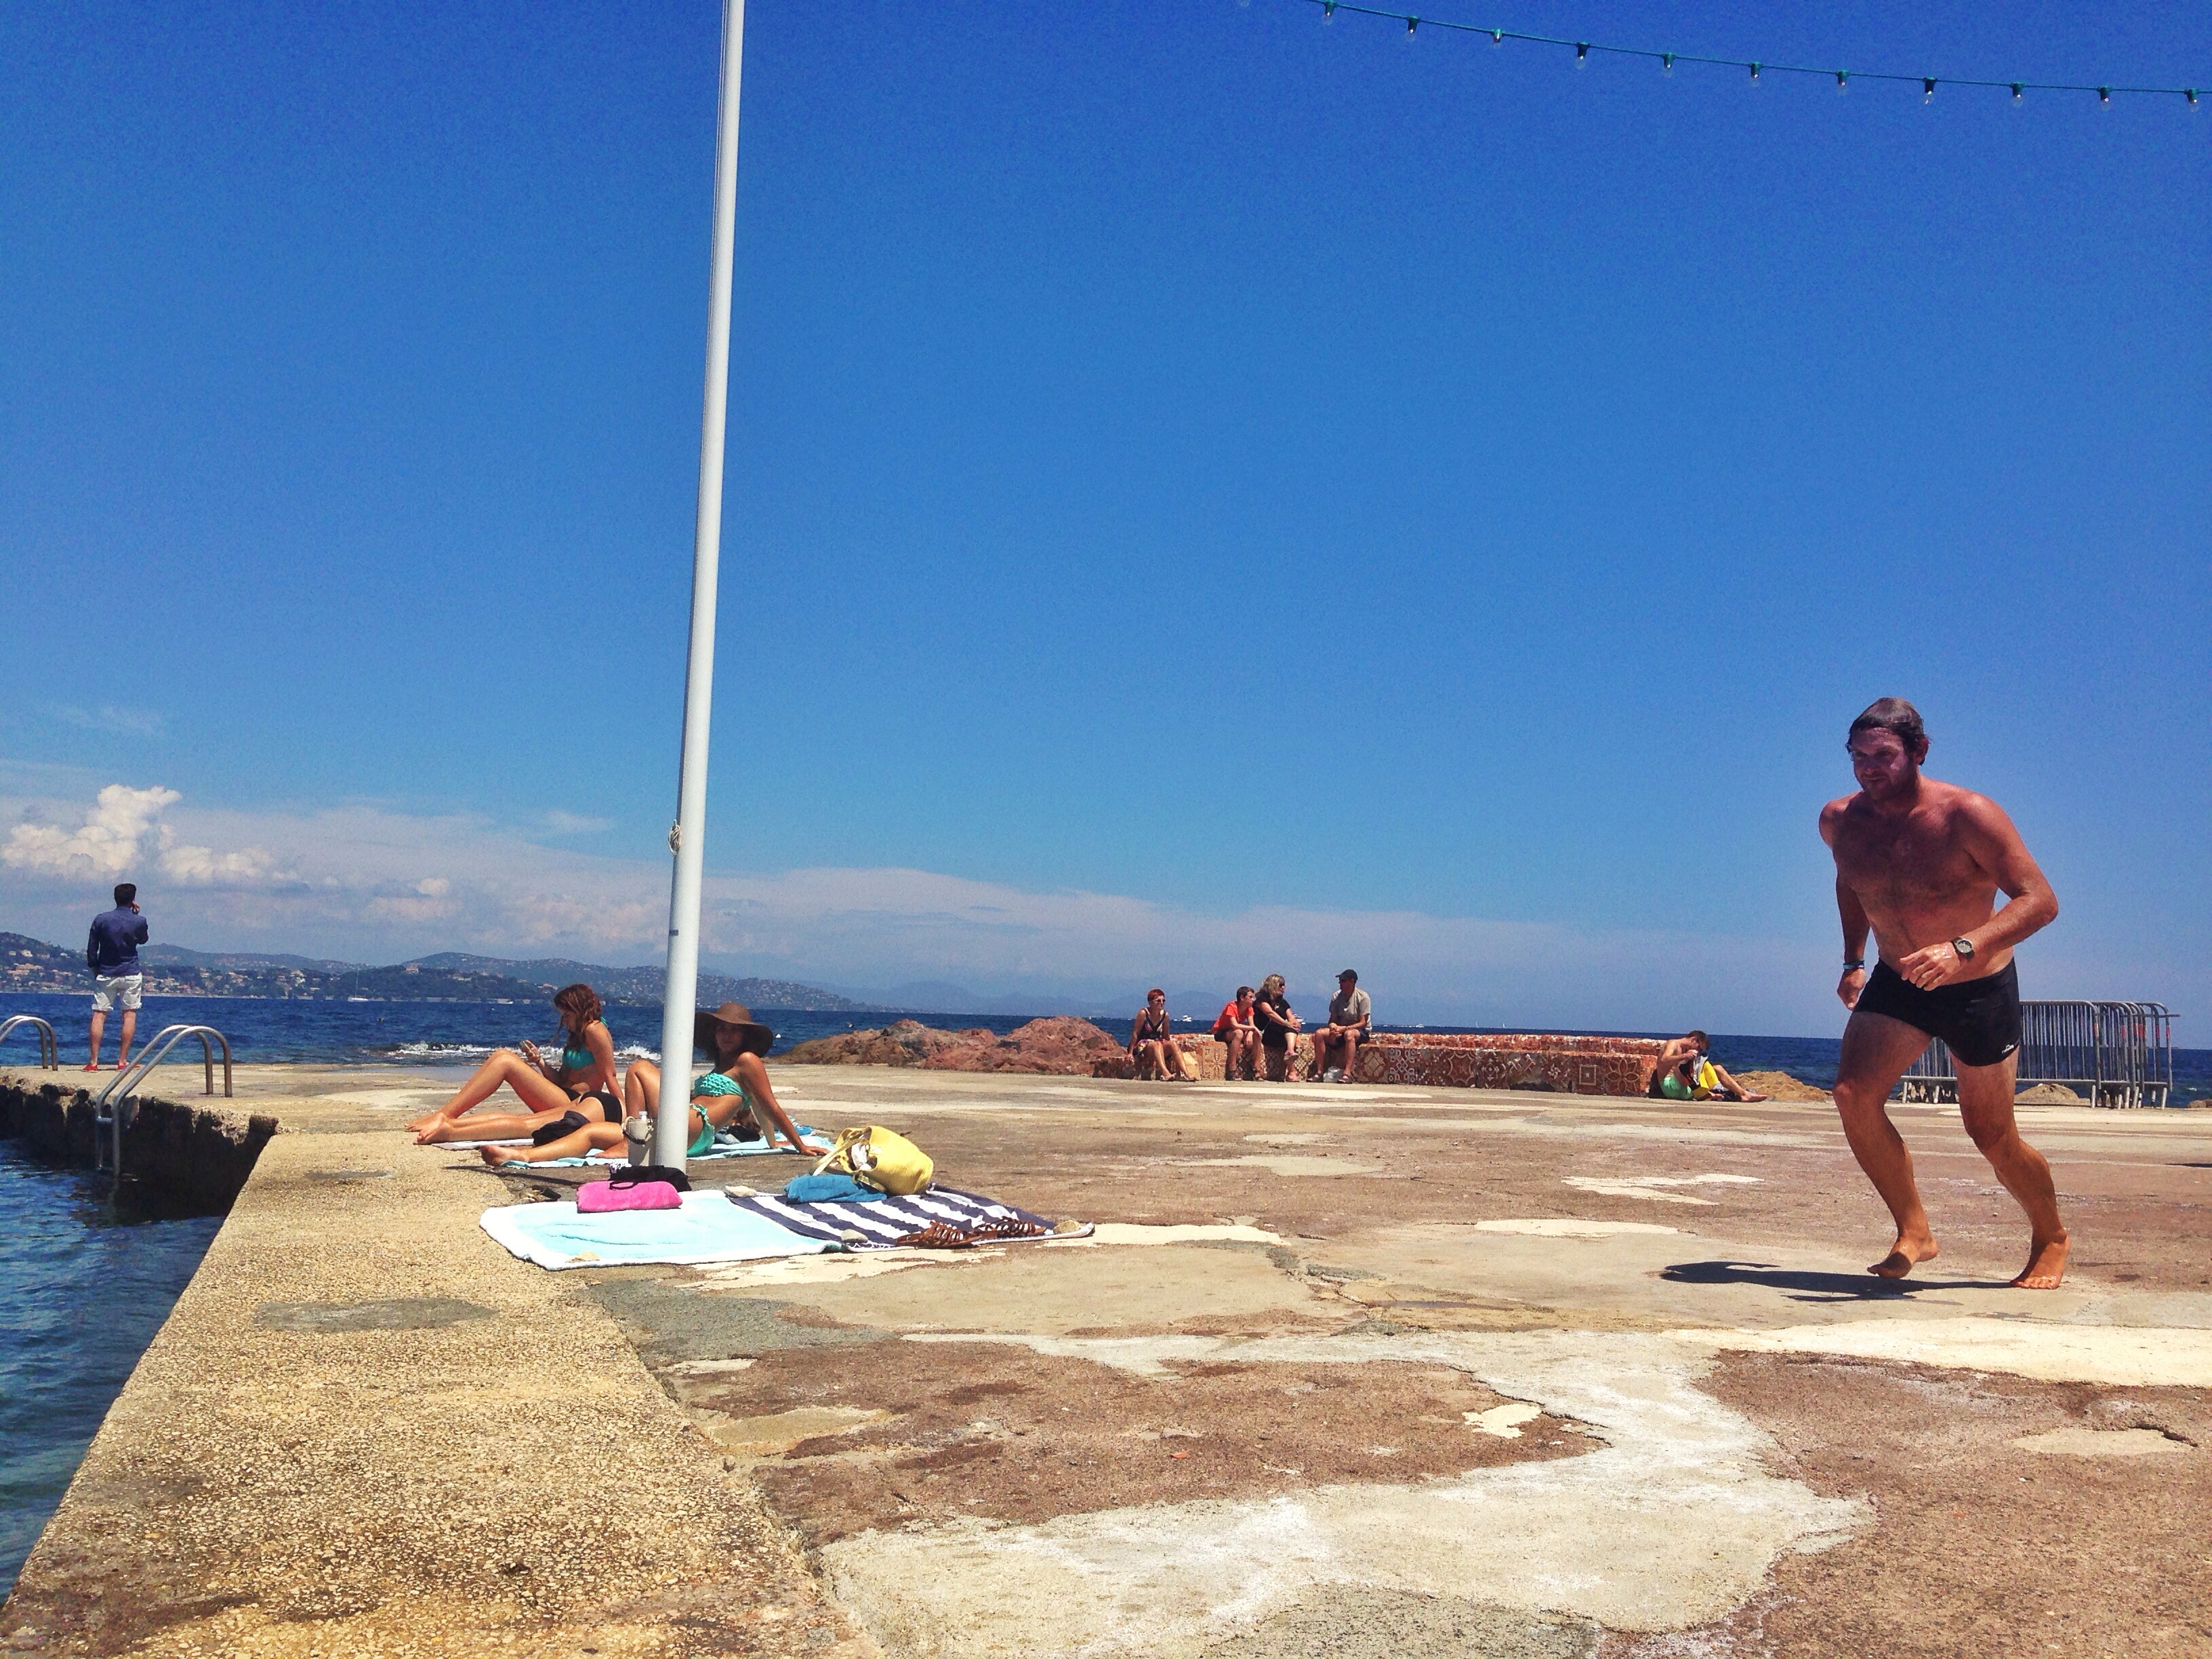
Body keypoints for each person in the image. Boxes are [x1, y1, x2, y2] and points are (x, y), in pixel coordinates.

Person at [1820, 697, 2066, 1289]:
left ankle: (2051, 1235)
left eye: (1883, 755)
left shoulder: (1968, 815)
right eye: (1858, 756)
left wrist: (1963, 948)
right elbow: (1852, 882)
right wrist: (1854, 960)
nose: (1869, 767)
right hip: (1899, 979)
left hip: (1976, 988)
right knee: (1853, 1095)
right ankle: (1915, 1231)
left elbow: (2040, 901)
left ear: (1919, 752)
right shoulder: (1840, 820)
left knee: (1992, 1136)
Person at [487, 1002, 814, 1166]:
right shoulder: (724, 1066)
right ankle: (522, 1156)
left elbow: (768, 1105)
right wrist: (773, 1143)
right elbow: (758, 1107)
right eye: (720, 1029)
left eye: (733, 1030)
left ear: (745, 1035)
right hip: (680, 1125)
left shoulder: (748, 1061)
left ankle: (633, 1136)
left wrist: (798, 1145)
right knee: (590, 1133)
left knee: (639, 1068)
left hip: (694, 1125)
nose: (725, 1035)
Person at [406, 983, 623, 1145]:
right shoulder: (579, 1034)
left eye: (567, 1015)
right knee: (503, 1063)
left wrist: (625, 1112)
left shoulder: (595, 1031)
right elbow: (560, 1079)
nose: (564, 1021)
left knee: (505, 1060)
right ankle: (446, 1119)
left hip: (576, 1101)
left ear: (580, 1009)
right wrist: (540, 1062)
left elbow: (610, 1075)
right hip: (561, 1094)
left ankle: (446, 1116)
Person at [85, 882, 150, 1071]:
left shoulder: (101, 920)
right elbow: (143, 940)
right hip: (130, 972)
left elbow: (92, 948)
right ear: (133, 900)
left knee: (99, 1014)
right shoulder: (139, 921)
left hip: (106, 972)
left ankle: (94, 1062)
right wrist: (136, 916)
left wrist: (94, 966)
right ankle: (122, 1061)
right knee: (129, 1014)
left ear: (115, 898)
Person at [1647, 1031, 1768, 1103]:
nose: (1698, 1051)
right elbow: (1664, 1060)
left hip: (1685, 1090)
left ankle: (1742, 1094)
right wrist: (1685, 1056)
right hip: (1670, 1087)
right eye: (1699, 1048)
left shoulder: (1685, 1050)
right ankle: (1716, 1091)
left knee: (1717, 1068)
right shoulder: (1673, 1044)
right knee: (1687, 1064)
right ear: (1693, 1039)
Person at [1310, 969, 1372, 1083]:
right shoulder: (1336, 996)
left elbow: (1363, 1022)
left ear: (1352, 982)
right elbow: (1332, 1020)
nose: (1340, 983)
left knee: (1349, 1034)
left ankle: (1347, 1074)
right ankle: (1319, 1072)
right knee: (1319, 1034)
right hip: (1341, 1029)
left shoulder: (1363, 997)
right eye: (1340, 981)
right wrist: (1333, 1028)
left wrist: (1345, 1028)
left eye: (1343, 981)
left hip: (1359, 1031)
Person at [1128, 989, 1197, 1081]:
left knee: (1172, 1044)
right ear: (1150, 1002)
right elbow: (1135, 1033)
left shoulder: (1165, 1015)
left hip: (1157, 1044)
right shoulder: (1144, 1013)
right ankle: (1165, 1073)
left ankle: (1185, 1073)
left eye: (1163, 1001)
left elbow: (1166, 1036)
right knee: (1156, 1044)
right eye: (1158, 1001)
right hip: (1143, 1046)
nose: (1161, 1003)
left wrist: (1171, 1048)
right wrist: (1130, 1053)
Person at [1252, 974, 1301, 1082]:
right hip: (1265, 1032)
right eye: (1281, 985)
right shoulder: (1262, 999)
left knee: (1291, 1030)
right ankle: (1258, 1070)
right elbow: (1270, 1013)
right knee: (1288, 1027)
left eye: (1284, 985)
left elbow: (1290, 1016)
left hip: (1279, 1034)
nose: (1283, 987)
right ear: (1273, 985)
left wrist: (1294, 1023)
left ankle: (1290, 1054)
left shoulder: (1282, 1002)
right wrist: (1287, 1023)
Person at [1212, 986, 1263, 1081]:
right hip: (1222, 1031)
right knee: (1239, 1033)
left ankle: (1257, 1070)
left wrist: (1250, 1034)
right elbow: (1235, 1025)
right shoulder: (1232, 1006)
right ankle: (1232, 1069)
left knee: (1256, 1035)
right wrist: (1252, 1029)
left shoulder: (1249, 1009)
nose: (1253, 1000)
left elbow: (1252, 1024)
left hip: (1233, 1031)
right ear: (1242, 998)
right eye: (1250, 997)